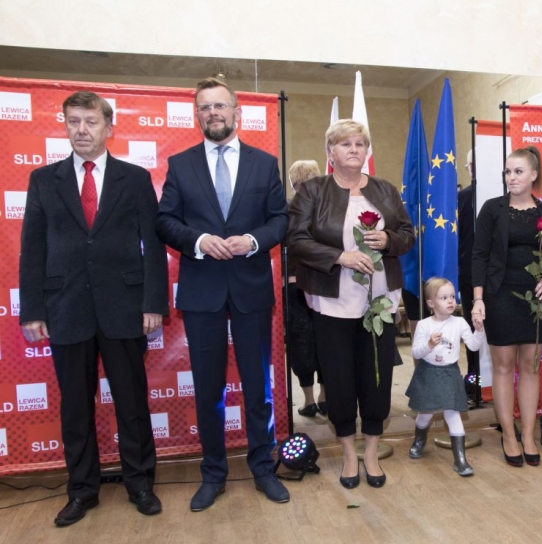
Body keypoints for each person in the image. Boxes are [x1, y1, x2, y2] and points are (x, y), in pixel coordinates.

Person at [19, 91, 168, 526]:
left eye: (90, 121)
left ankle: (140, 483)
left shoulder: (134, 178)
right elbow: (32, 249)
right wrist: (32, 310)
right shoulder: (43, 180)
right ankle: (82, 490)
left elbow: (153, 245)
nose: (81, 130)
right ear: (64, 125)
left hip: (125, 307)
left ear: (109, 127)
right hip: (66, 308)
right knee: (75, 407)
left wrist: (153, 303)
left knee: (132, 402)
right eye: (73, 121)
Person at [156, 78, 289, 510]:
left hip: (251, 289)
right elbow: (165, 221)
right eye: (205, 108)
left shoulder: (264, 164)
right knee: (208, 389)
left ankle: (263, 468)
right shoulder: (180, 165)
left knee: (258, 388)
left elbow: (279, 220)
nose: (213, 113)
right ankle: (213, 474)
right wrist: (198, 241)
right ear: (197, 115)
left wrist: (252, 240)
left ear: (236, 112)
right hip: (202, 290)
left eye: (220, 106)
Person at [289, 119, 414, 489]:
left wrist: (388, 239)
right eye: (345, 144)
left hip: (379, 302)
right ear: (331, 152)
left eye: (360, 144)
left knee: (377, 380)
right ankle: (347, 453)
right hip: (332, 303)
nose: (354, 150)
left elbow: (407, 234)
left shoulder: (385, 190)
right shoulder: (313, 191)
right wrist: (339, 256)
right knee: (339, 381)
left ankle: (371, 452)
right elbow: (296, 240)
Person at [471, 146, 542, 467]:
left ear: (533, 175)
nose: (511, 177)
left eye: (518, 171)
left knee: (530, 367)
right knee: (502, 367)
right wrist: (478, 299)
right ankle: (509, 435)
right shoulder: (492, 209)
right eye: (508, 172)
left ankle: (528, 435)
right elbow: (479, 256)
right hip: (499, 296)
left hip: (537, 300)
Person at [406, 277, 485, 475]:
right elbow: (416, 353)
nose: (451, 301)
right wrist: (429, 345)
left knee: (453, 413)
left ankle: (460, 460)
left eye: (452, 296)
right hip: (428, 373)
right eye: (444, 298)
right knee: (425, 414)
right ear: (431, 303)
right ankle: (419, 439)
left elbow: (474, 346)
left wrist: (479, 330)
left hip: (450, 373)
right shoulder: (424, 325)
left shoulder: (459, 322)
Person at [286, 160, 327, 418]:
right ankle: (325, 396)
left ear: (293, 184)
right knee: (327, 341)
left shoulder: (287, 212)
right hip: (326, 284)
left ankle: (309, 399)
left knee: (300, 344)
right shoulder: (328, 208)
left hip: (294, 285)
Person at [457, 150, 479, 394]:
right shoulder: (462, 197)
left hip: (485, 274)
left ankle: (480, 380)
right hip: (469, 273)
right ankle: (475, 379)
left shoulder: (504, 195)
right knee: (473, 327)